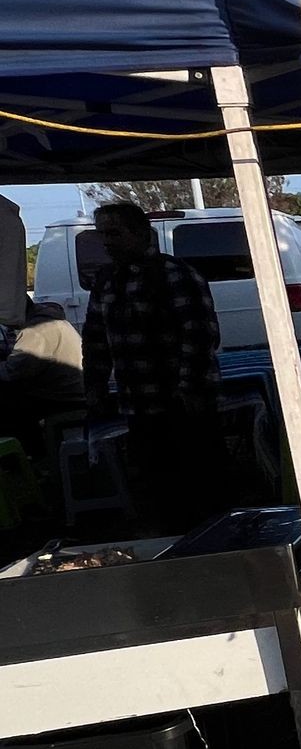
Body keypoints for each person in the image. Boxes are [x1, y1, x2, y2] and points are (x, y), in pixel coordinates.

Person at [82, 202, 229, 533]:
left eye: (115, 233)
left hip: (187, 407)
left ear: (141, 234)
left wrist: (187, 389)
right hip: (138, 407)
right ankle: (172, 556)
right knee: (158, 493)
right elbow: (95, 340)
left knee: (203, 490)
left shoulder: (176, 275)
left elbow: (201, 335)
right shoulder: (105, 282)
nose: (107, 242)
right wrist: (95, 386)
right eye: (102, 235)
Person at [0, 295, 84, 448]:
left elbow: (14, 372)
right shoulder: (50, 320)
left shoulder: (37, 330)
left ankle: (32, 454)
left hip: (62, 400)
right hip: (72, 392)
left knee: (8, 404)